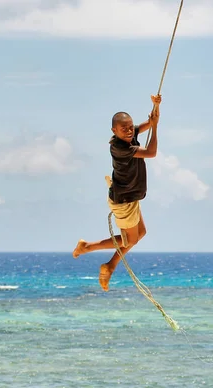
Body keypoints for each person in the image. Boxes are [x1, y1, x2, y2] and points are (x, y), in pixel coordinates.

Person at [72, 94, 162, 291]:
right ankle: (88, 247)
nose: (130, 131)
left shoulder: (129, 135)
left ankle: (110, 265)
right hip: (123, 201)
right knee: (130, 239)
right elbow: (152, 152)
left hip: (131, 198)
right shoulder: (121, 148)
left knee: (140, 234)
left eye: (131, 127)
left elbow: (149, 122)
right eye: (124, 129)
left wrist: (156, 107)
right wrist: (155, 127)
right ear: (114, 131)